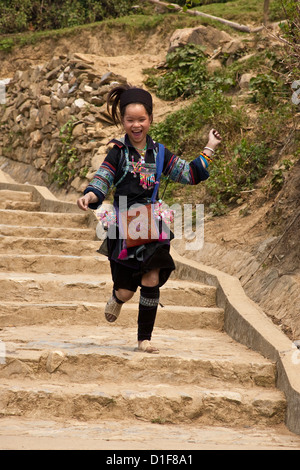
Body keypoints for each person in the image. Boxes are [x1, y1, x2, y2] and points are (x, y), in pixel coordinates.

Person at [77, 84, 222, 354]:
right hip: (123, 224)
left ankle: (145, 338)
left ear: (151, 120)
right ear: (122, 121)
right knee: (126, 291)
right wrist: (90, 195)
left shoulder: (160, 153)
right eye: (130, 120)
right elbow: (103, 178)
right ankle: (117, 297)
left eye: (141, 119)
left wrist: (209, 148)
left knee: (152, 276)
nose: (136, 125)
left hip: (153, 224)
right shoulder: (117, 152)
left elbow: (189, 174)